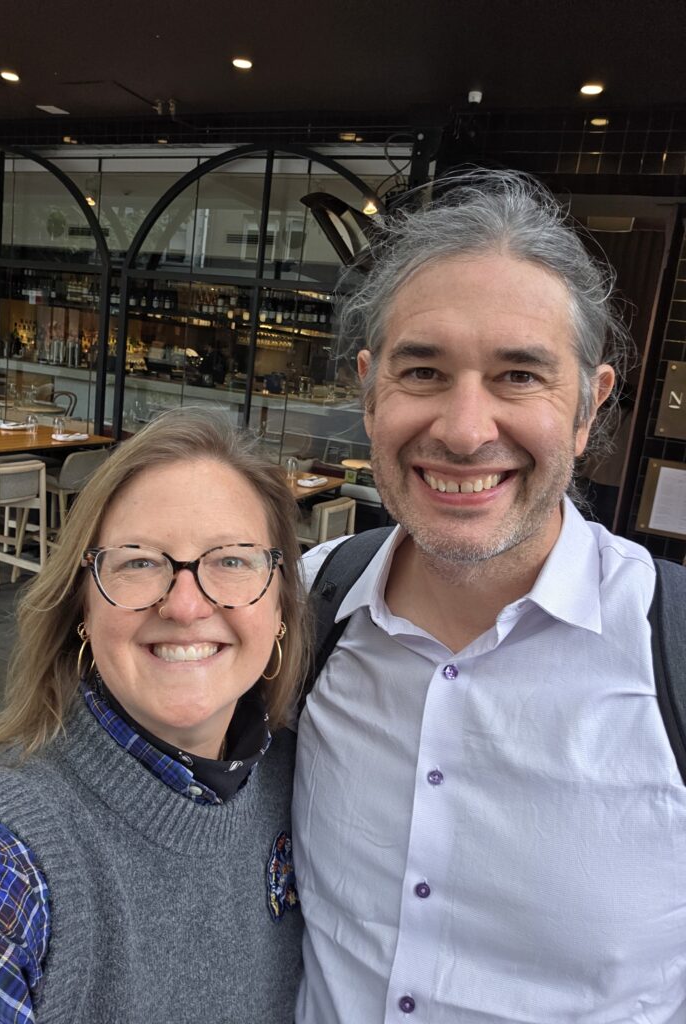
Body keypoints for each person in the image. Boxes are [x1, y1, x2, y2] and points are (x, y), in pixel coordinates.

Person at [293, 171, 686, 1022]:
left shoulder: (674, 652)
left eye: (518, 376)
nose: (465, 431)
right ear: (370, 391)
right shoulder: (302, 604)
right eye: (423, 371)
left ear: (588, 405)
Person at [0, 409, 308, 1024]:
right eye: (139, 562)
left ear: (280, 605)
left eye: (232, 561)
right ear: (83, 607)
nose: (185, 606)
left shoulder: (296, 774)